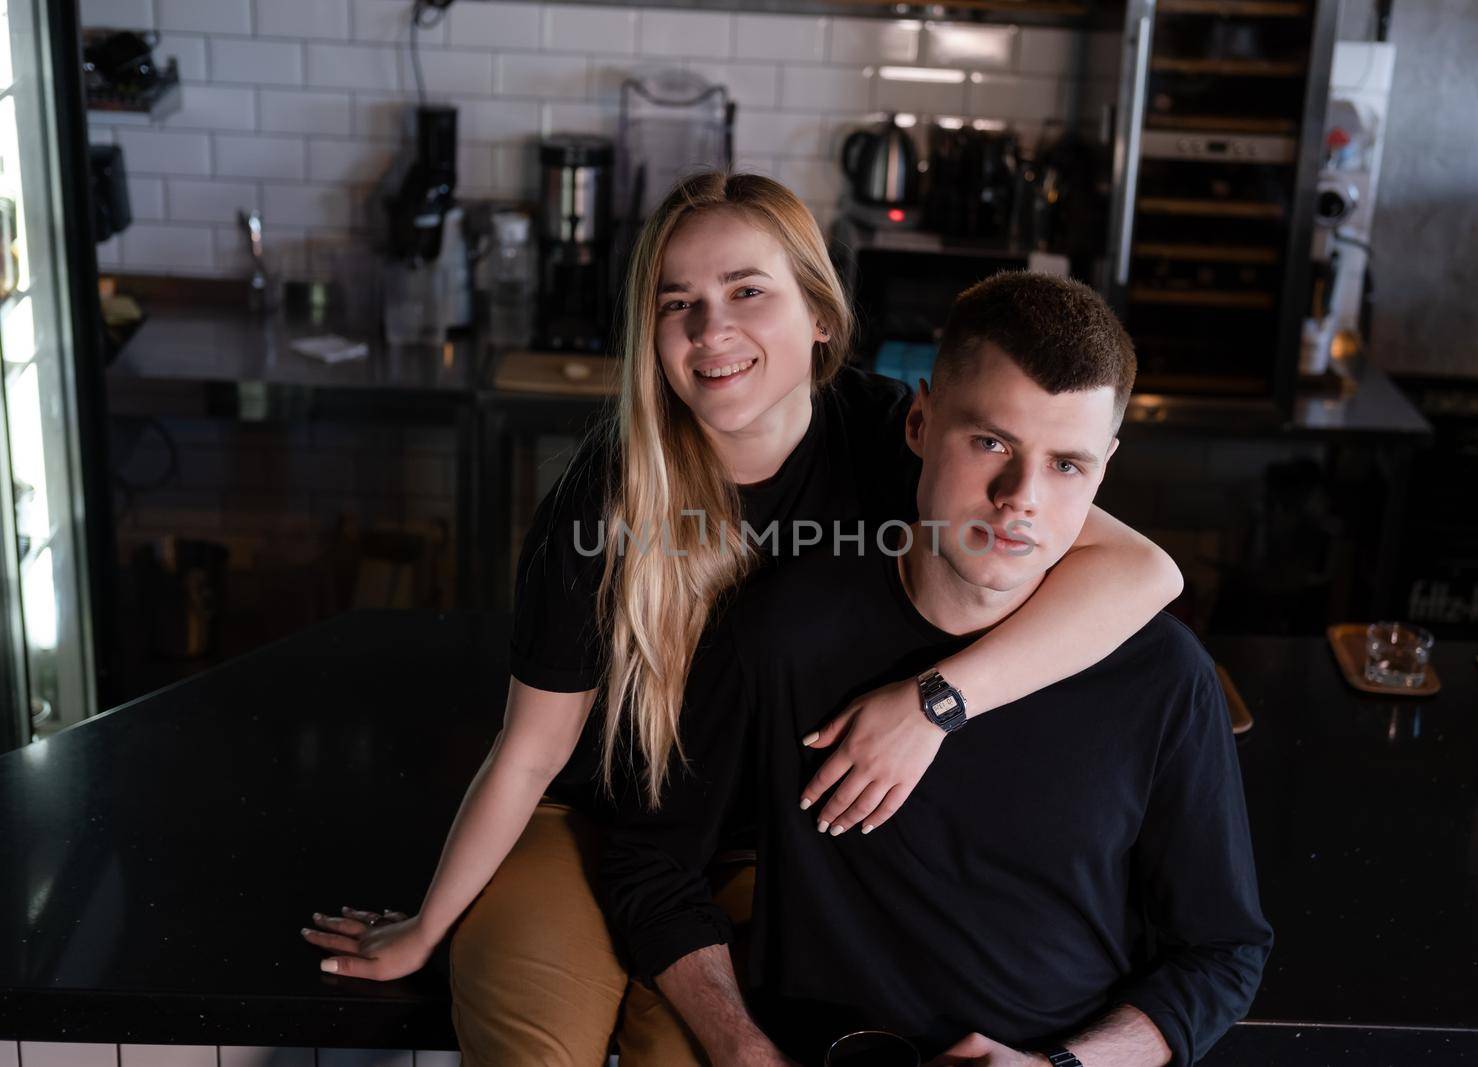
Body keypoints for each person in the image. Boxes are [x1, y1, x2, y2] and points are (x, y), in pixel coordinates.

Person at [299, 174, 1185, 1065]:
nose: (710, 328)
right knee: (535, 1050)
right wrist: (422, 928)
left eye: (747, 292)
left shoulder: (897, 435)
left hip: (786, 845)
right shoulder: (607, 497)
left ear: (821, 316)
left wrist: (933, 703)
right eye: (676, 301)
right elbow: (529, 751)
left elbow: (1141, 571)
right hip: (594, 827)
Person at [602, 272, 1273, 1067]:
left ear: (1104, 471)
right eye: (991, 442)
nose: (1019, 498)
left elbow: (1223, 950)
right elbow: (647, 860)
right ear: (918, 422)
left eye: (1067, 465)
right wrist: (740, 1044)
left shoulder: (1164, 676)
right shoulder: (784, 633)